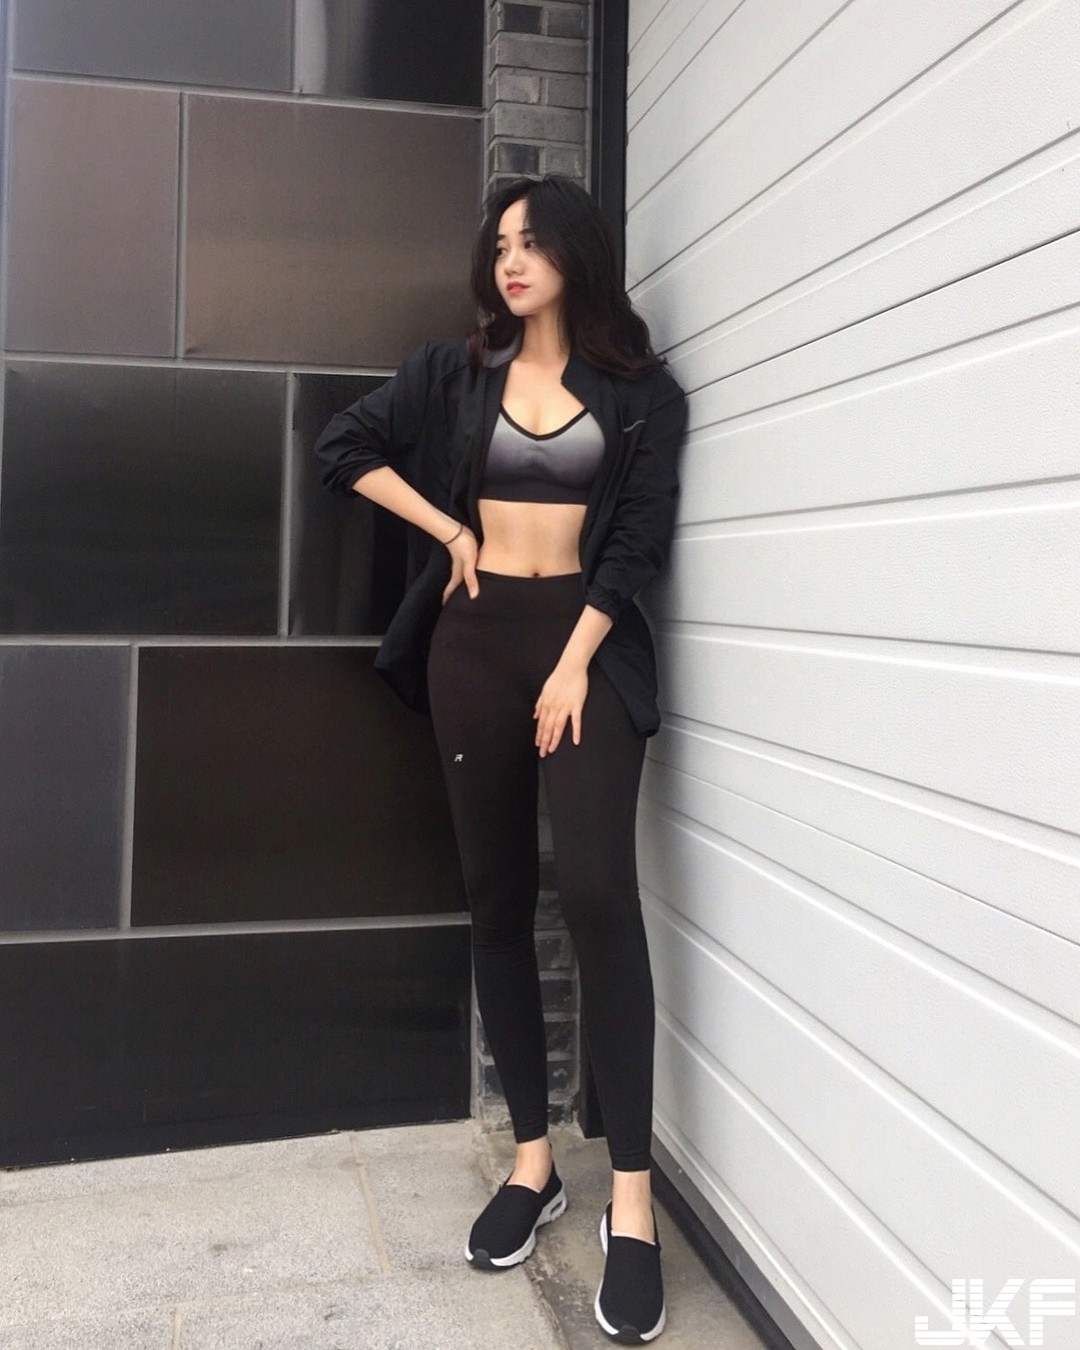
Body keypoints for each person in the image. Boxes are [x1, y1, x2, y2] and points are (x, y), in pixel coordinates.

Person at [313, 174, 687, 1345]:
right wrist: (448, 529)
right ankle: (534, 1162)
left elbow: (639, 537)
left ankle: (633, 1199)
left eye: (532, 242)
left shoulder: (642, 392)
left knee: (599, 894)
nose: (510, 260)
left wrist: (577, 661)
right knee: (496, 900)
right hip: (473, 644)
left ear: (578, 252)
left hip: (584, 644)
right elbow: (341, 446)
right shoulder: (454, 372)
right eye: (501, 244)